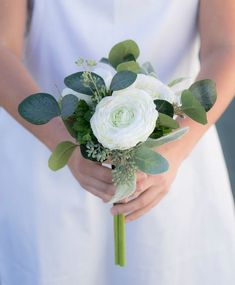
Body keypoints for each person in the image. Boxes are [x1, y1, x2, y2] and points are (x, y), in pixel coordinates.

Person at [0, 0, 235, 284]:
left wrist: (172, 153)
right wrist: (64, 144)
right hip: (44, 157)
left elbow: (225, 46)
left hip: (173, 158)